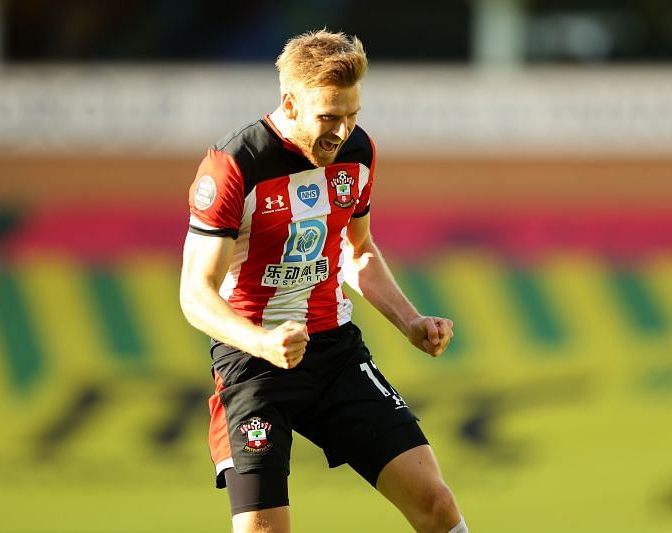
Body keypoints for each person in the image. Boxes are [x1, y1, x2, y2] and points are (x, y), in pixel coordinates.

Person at [179, 29, 468, 533]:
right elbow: (195, 294)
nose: (342, 130)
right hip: (254, 365)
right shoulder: (233, 166)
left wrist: (410, 321)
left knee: (436, 505)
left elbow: (358, 251)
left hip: (335, 352)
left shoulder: (358, 152)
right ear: (290, 103)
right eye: (329, 117)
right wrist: (263, 342)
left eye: (353, 114)